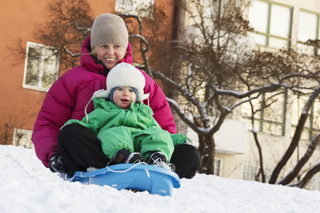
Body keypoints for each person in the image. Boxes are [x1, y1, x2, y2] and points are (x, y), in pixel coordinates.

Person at [32, 13, 200, 178]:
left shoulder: (144, 82)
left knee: (190, 154)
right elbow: (48, 123)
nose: (110, 52)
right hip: (97, 151)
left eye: (117, 46)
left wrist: (173, 144)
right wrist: (53, 154)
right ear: (94, 48)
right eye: (104, 46)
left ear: (125, 48)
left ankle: (153, 167)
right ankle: (116, 166)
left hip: (142, 150)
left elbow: (163, 128)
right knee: (70, 133)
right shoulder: (73, 80)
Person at [63, 63, 190, 171]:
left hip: (141, 146)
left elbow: (161, 134)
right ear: (110, 93)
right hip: (115, 149)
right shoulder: (103, 112)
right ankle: (124, 159)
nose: (125, 93)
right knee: (114, 132)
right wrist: (72, 126)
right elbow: (86, 126)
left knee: (159, 135)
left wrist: (180, 140)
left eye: (131, 91)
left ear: (137, 96)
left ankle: (156, 159)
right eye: (120, 89)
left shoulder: (144, 113)